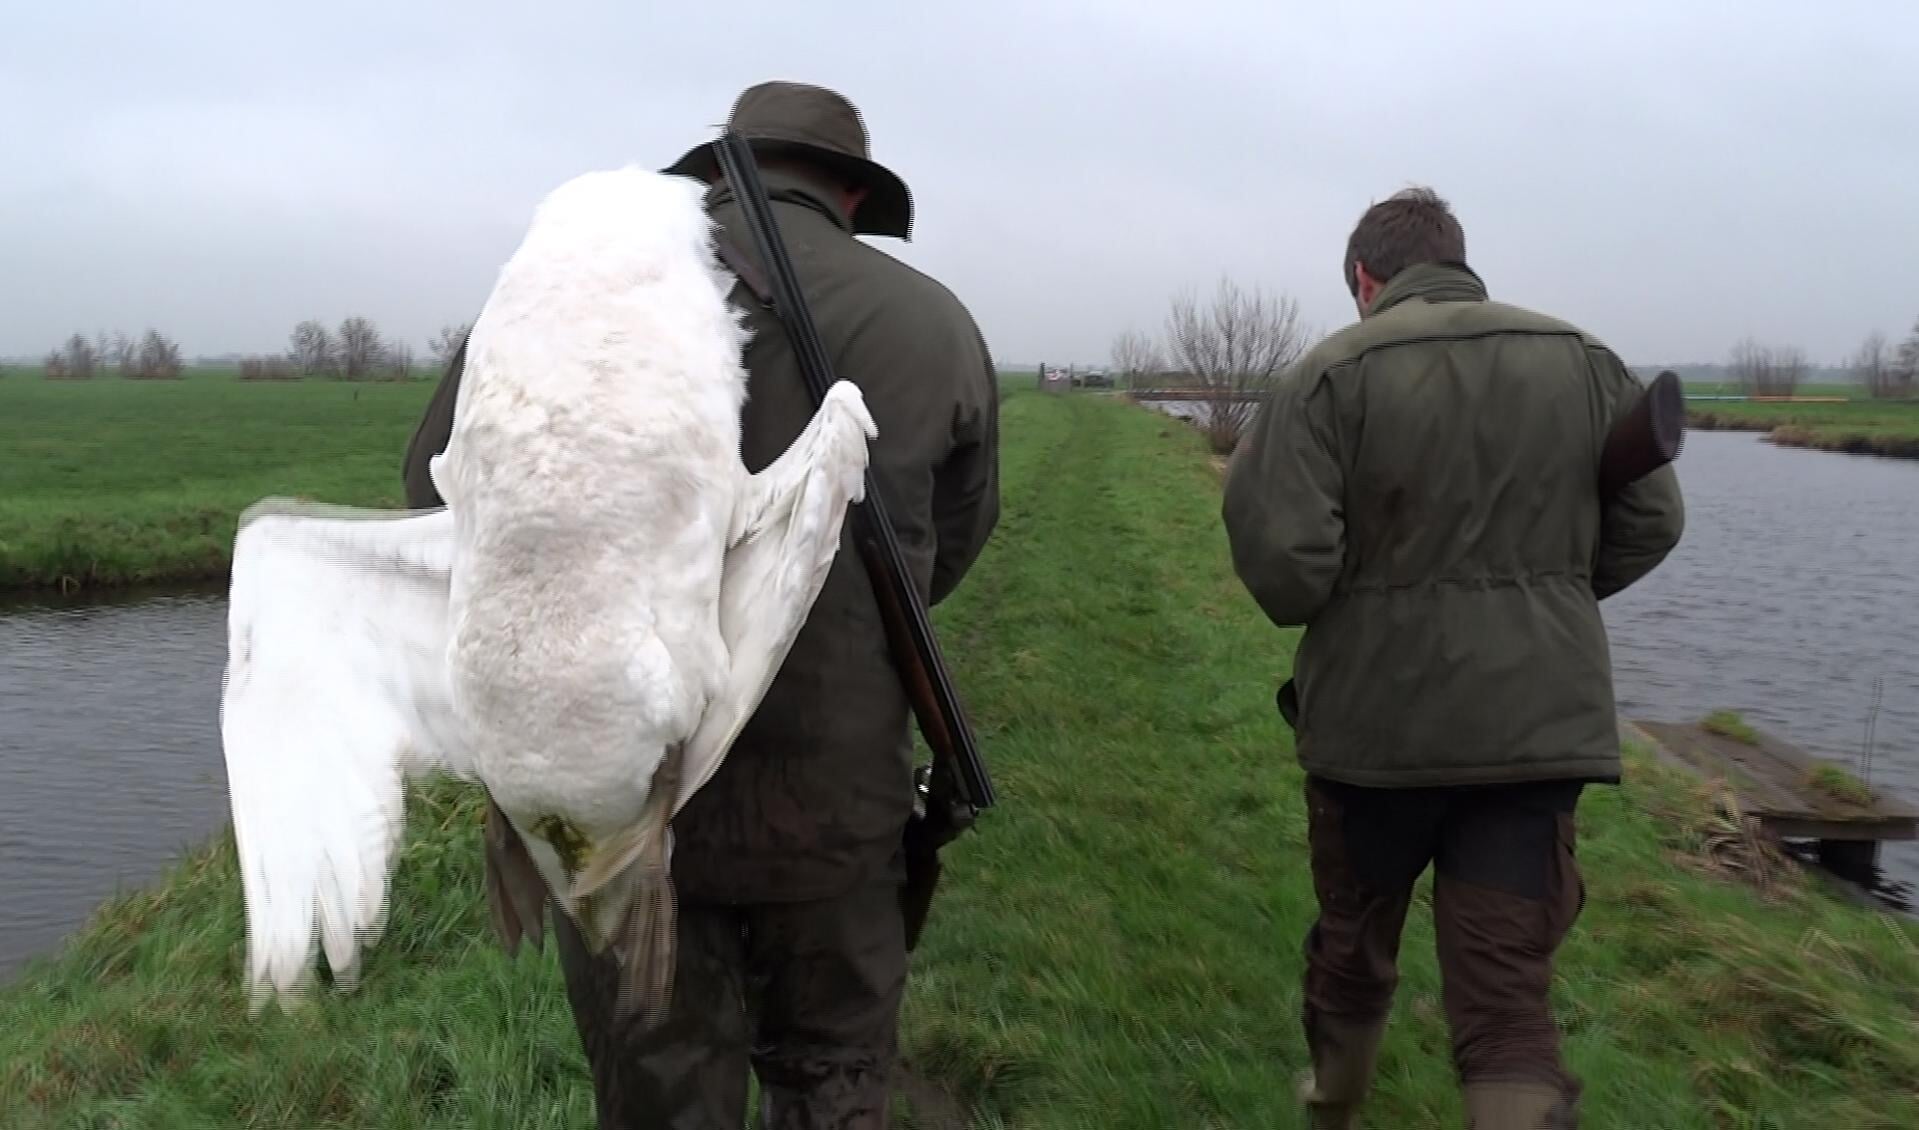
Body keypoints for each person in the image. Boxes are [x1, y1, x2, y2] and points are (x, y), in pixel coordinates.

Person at [400, 80, 1001, 1129]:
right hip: (834, 812)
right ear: (853, 196)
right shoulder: (933, 323)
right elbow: (945, 550)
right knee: (832, 1082)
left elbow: (437, 492)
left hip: (628, 811)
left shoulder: (562, 298)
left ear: (718, 172)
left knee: (660, 1100)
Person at [1221, 187, 1684, 1130]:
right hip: (1533, 738)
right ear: (1458, 260)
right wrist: (1543, 599)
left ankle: (1332, 1108)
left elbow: (1286, 574)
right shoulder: (1584, 360)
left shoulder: (1325, 375)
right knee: (1507, 1005)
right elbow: (1653, 520)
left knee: (1352, 947)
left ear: (1364, 277)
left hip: (1370, 736)